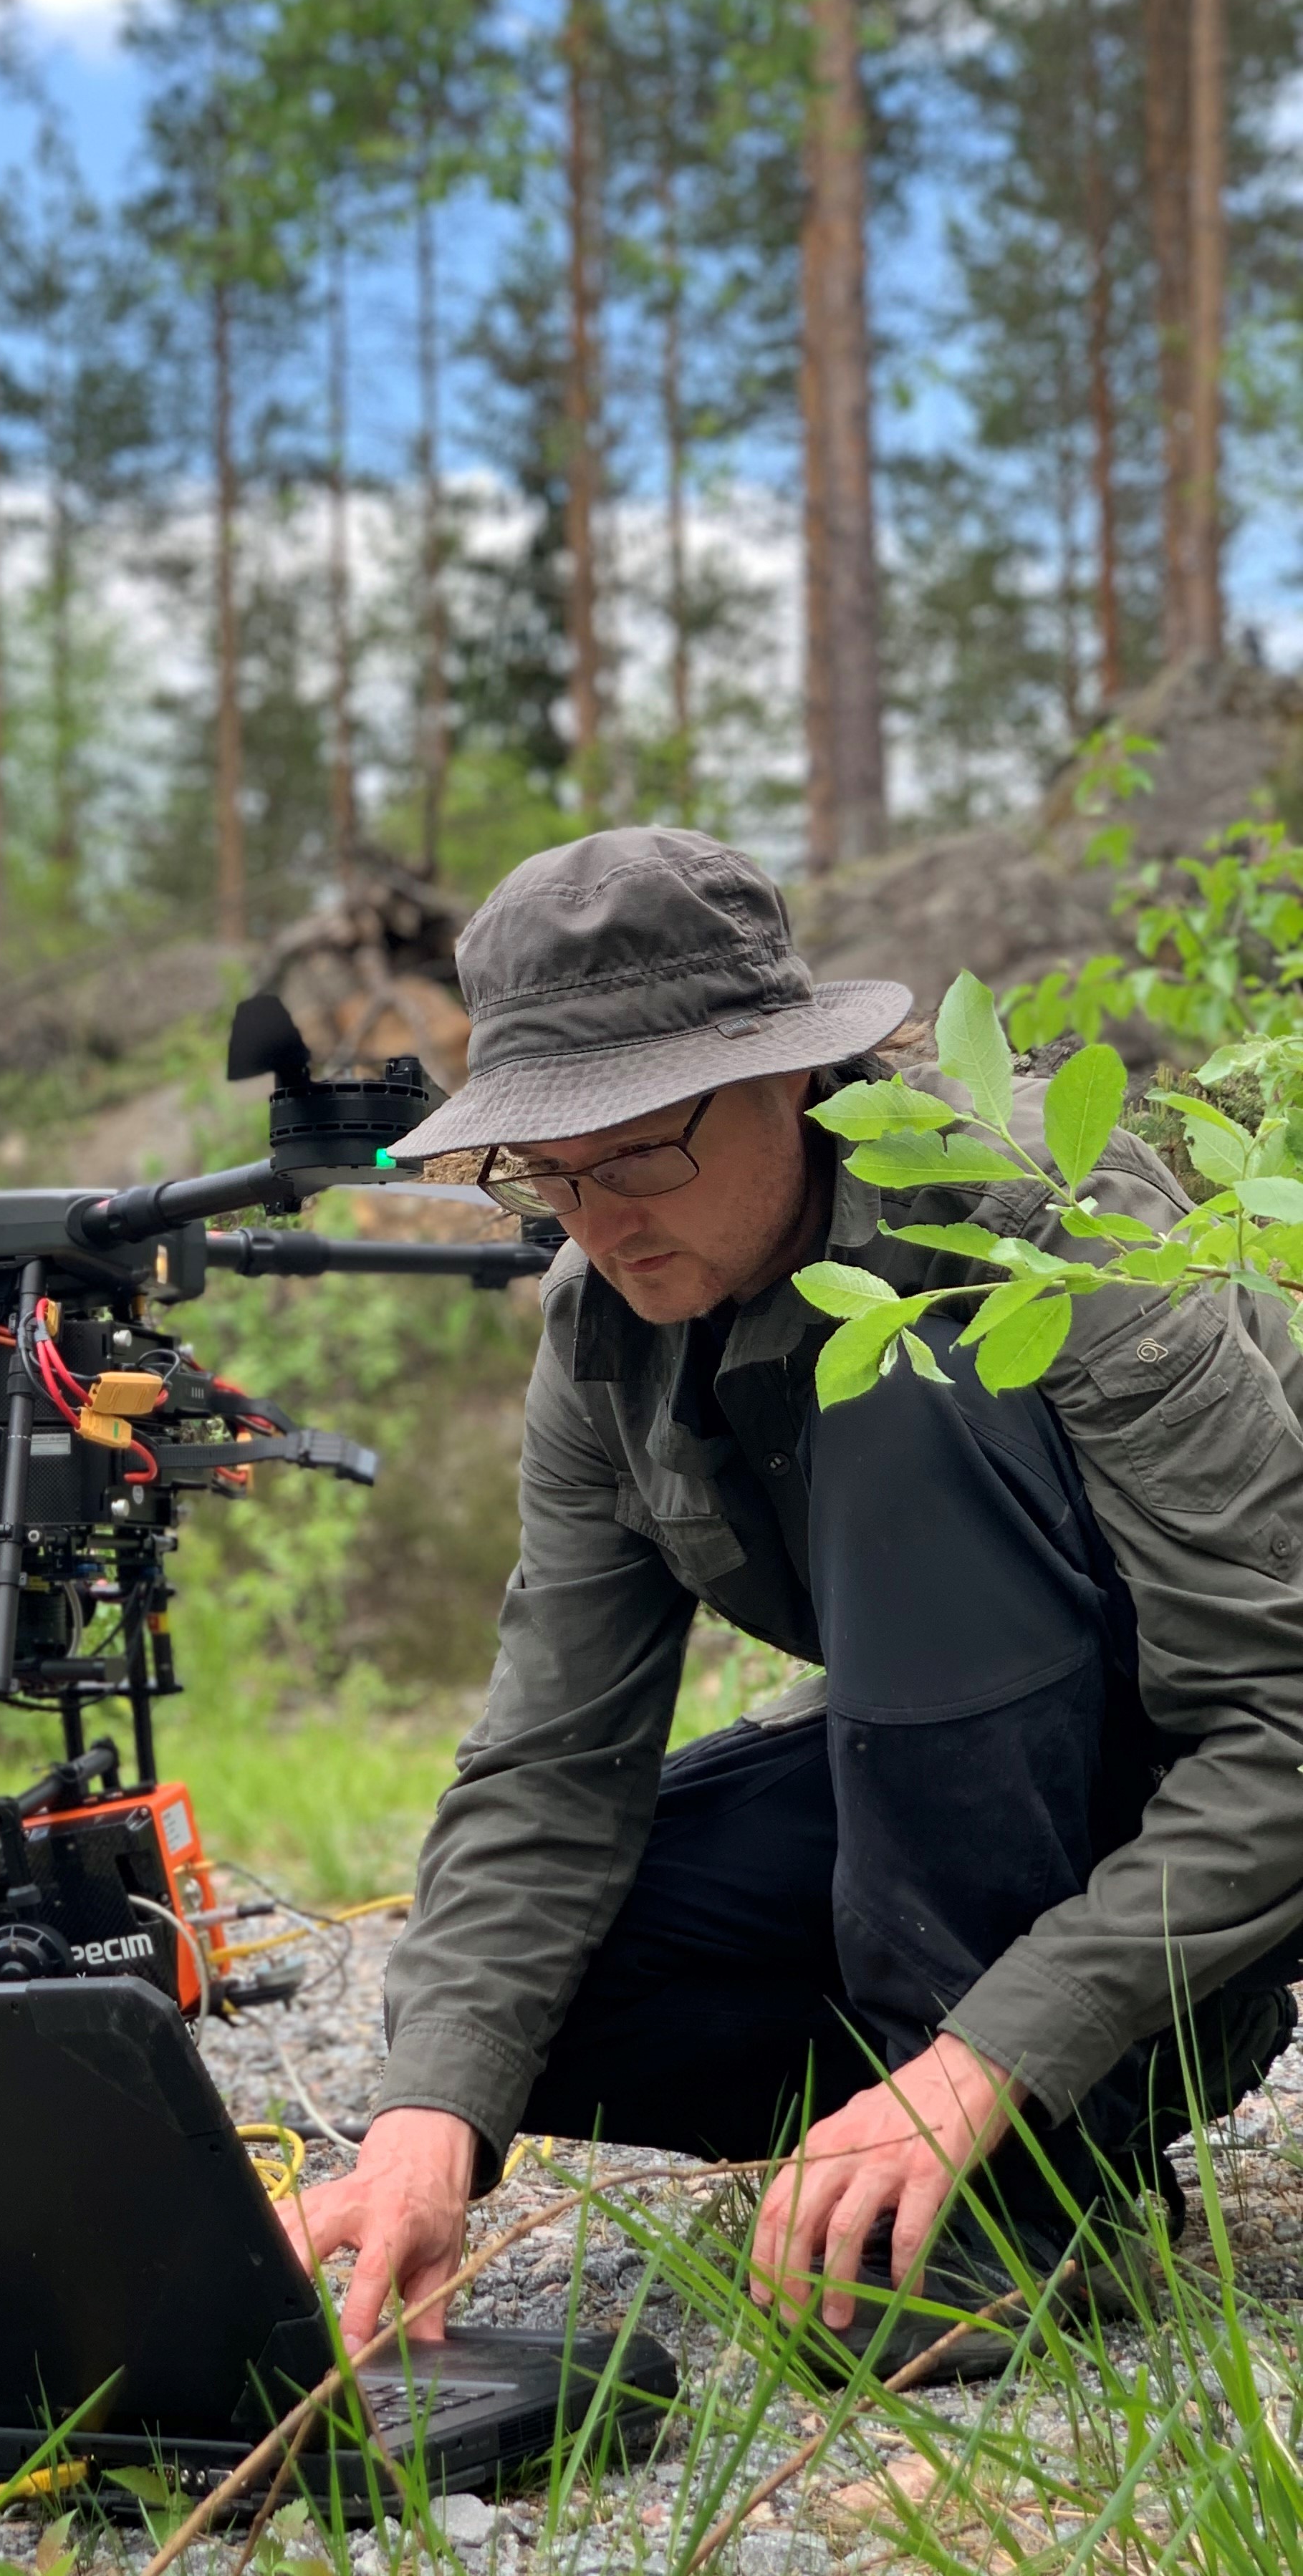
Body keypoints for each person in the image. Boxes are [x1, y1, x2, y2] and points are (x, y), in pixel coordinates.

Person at [284, 826, 1303, 2375]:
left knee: (892, 1381)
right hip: (966, 1795)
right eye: (545, 1171)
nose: (599, 1219)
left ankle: (1036, 2182)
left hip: (1196, 1826)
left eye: (639, 1153)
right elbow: (550, 1766)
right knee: (516, 2001)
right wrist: (423, 2128)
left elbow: (1285, 1725)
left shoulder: (1032, 1218)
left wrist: (985, 2060)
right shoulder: (602, 1324)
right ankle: (896, 2152)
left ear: (792, 1077)